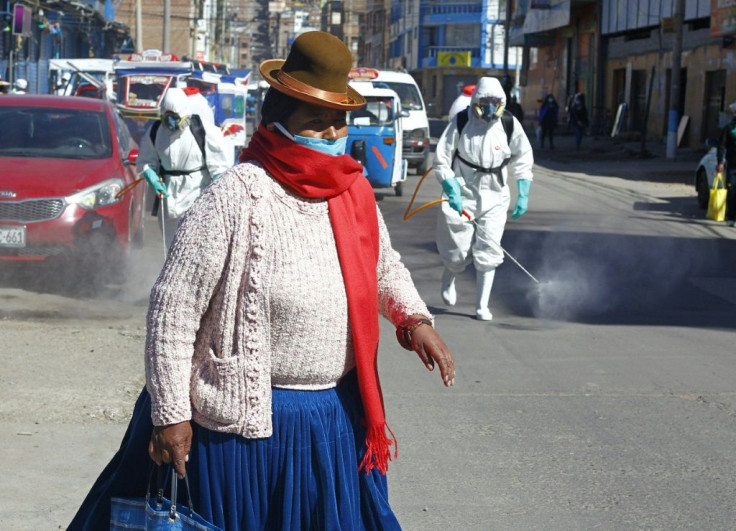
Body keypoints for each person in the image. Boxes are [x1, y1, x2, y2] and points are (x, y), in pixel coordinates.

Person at [68, 30, 455, 530]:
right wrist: (170, 414)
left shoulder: (353, 190)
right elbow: (173, 308)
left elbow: (383, 267)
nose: (331, 134)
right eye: (316, 121)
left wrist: (414, 319)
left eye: (338, 121)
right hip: (243, 434)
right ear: (278, 119)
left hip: (331, 422)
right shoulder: (235, 196)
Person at [434, 77, 534, 321]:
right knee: (456, 251)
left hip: (495, 194)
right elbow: (441, 159)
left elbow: (523, 156)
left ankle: (481, 306)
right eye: (485, 101)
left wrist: (523, 191)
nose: (490, 107)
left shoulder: (509, 124)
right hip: (463, 192)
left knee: (489, 249)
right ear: (476, 101)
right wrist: (450, 186)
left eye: (495, 102)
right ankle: (450, 276)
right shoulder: (460, 122)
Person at [136, 87, 231, 249]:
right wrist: (151, 177)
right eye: (167, 117)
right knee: (171, 248)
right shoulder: (155, 132)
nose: (170, 123)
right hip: (168, 201)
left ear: (184, 115)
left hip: (197, 199)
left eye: (175, 117)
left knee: (194, 248)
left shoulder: (203, 132)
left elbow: (220, 168)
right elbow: (145, 160)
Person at [716, 101, 736, 227]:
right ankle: (731, 217)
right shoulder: (729, 128)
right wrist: (720, 162)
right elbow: (721, 146)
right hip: (733, 165)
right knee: (732, 190)